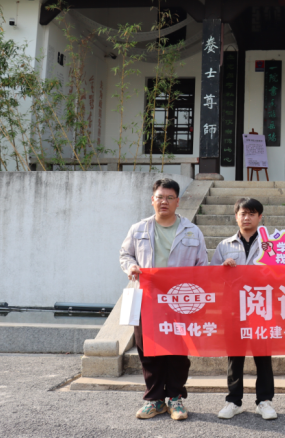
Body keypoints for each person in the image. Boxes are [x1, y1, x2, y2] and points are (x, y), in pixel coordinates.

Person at [119, 178, 208, 421]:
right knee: (148, 350)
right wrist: (131, 267)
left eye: (170, 198)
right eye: (160, 197)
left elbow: (202, 266)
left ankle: (175, 398)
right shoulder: (138, 229)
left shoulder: (192, 231)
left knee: (178, 350)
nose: (164, 202)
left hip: (180, 301)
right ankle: (155, 400)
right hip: (147, 299)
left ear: (178, 201)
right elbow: (125, 254)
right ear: (152, 200)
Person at [211, 197, 278, 421]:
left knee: (263, 355)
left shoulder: (271, 245)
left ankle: (264, 401)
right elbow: (211, 276)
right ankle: (234, 401)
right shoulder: (224, 246)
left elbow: (283, 273)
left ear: (260, 217)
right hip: (233, 308)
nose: (247, 218)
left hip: (261, 306)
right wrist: (223, 269)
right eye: (243, 213)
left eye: (252, 213)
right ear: (236, 216)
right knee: (235, 356)